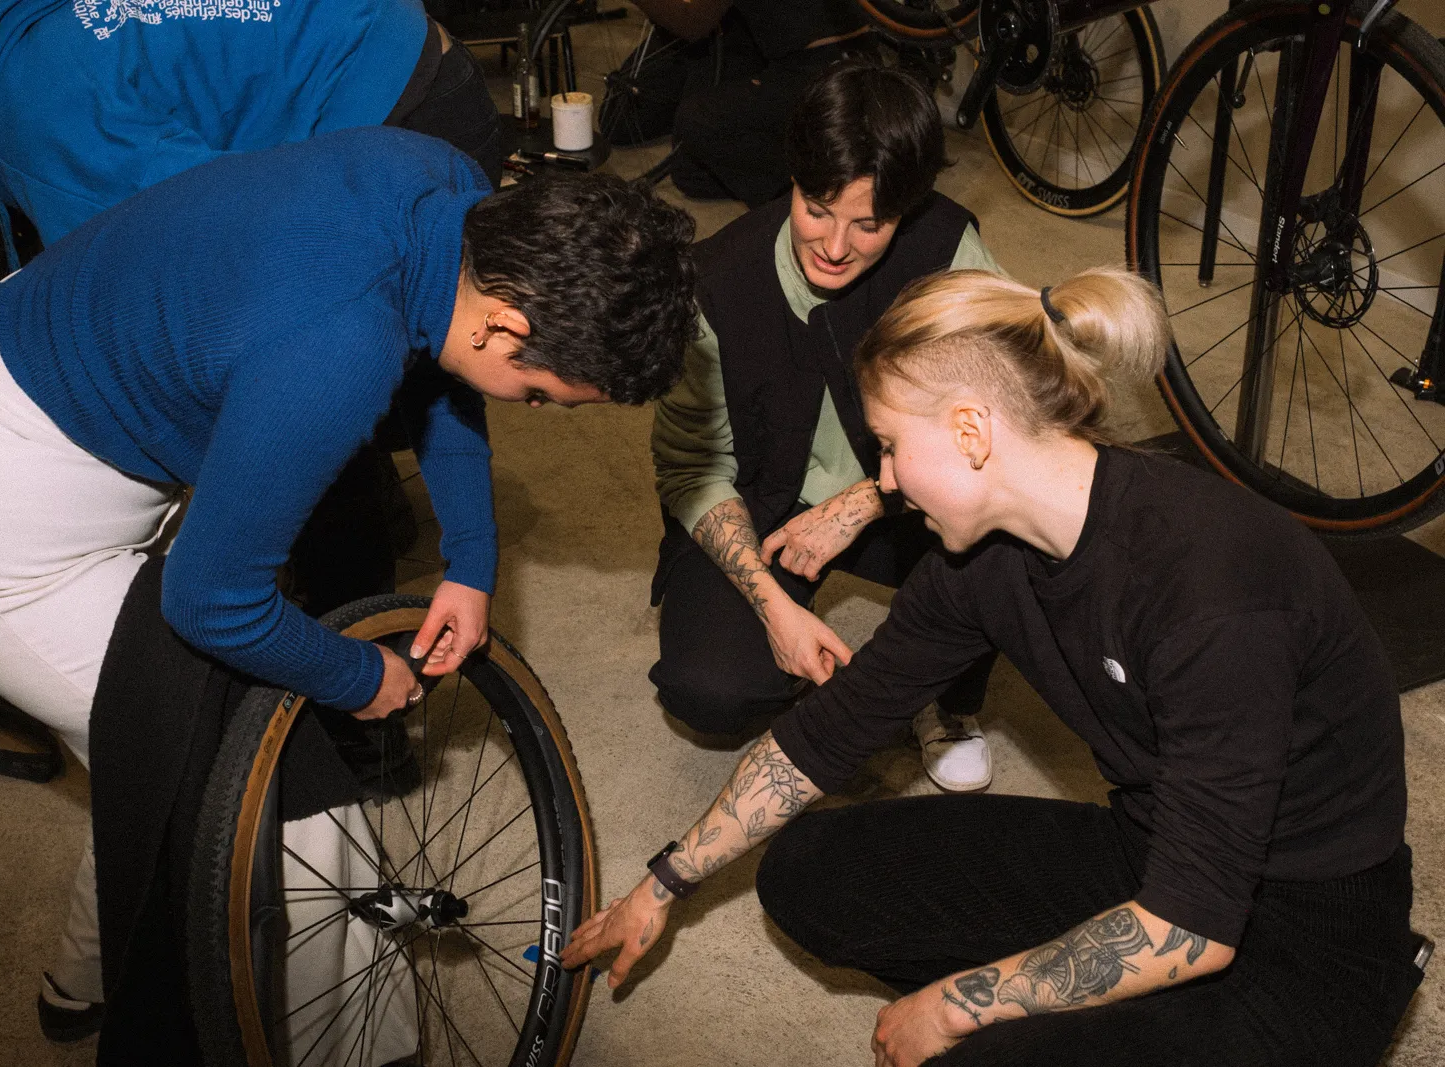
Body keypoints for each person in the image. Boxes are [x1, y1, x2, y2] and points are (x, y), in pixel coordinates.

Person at [0, 127, 697, 1041]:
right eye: (539, 394)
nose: (529, 409)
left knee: (155, 753)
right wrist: (356, 675)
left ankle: (83, 978)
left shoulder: (454, 194)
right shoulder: (337, 346)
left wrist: (470, 558)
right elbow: (210, 599)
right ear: (505, 322)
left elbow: (439, 363)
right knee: (285, 801)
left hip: (57, 400)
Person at [565, 266, 1422, 1066]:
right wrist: (664, 881)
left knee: (970, 1046)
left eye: (892, 447)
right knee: (808, 872)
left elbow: (1190, 927)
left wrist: (959, 1004)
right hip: (1154, 854)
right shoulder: (981, 562)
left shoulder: (1210, 586)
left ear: (972, 431)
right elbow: (832, 729)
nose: (888, 483)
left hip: (1310, 931)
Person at [650, 59, 996, 791]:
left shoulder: (947, 250)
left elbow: (1010, 418)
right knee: (710, 686)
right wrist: (771, 604)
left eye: (870, 224)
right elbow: (692, 468)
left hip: (912, 492)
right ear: (795, 177)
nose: (835, 246)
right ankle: (813, 646)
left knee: (1022, 539)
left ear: (906, 211)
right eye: (817, 207)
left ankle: (951, 697)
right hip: (770, 502)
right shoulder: (715, 280)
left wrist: (872, 497)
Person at [0, 0, 502, 375]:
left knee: (285, 361)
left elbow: (217, 253)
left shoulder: (40, 116)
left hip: (410, 111)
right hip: (376, 49)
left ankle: (341, 585)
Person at [625, 0, 873, 206]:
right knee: (688, 172)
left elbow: (693, 23)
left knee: (696, 124)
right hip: (822, 53)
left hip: (824, 66)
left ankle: (796, 190)